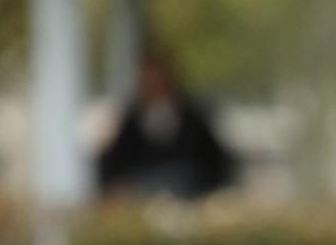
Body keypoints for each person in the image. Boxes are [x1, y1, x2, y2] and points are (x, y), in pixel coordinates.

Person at [96, 49, 237, 203]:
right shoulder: (132, 121)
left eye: (156, 80)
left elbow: (215, 161)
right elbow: (113, 166)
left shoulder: (192, 116)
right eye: (147, 81)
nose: (152, 86)